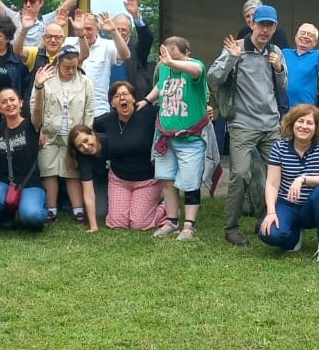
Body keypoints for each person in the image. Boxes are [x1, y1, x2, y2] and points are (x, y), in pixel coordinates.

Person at [209, 3, 289, 246]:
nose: (264, 30)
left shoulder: (275, 51)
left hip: (271, 124)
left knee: (280, 173)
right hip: (243, 124)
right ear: (252, 24)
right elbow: (213, 78)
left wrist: (278, 68)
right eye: (261, 24)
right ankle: (231, 228)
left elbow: (283, 85)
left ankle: (270, 218)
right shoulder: (237, 47)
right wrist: (232, 58)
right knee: (241, 174)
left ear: (275, 27)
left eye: (269, 25)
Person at [258, 104, 319, 263]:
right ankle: (294, 237)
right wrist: (271, 212)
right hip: (287, 204)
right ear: (292, 124)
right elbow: (272, 184)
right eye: (300, 121)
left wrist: (302, 179)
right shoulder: (279, 147)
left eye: (310, 123)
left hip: (313, 206)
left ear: (316, 127)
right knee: (268, 234)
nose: (304, 126)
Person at [148, 36, 211, 240]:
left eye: (173, 54)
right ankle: (171, 221)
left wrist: (173, 63)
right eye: (165, 53)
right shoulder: (164, 69)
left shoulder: (195, 66)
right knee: (166, 180)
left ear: (186, 54)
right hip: (165, 137)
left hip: (190, 139)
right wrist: (146, 100)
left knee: (190, 183)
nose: (167, 59)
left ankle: (189, 225)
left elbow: (198, 71)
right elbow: (160, 86)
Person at [89, 82, 167, 231]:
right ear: (112, 102)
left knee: (139, 224)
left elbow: (173, 111)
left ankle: (166, 207)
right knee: (117, 223)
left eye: (125, 94)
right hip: (119, 179)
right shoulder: (106, 120)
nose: (121, 98)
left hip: (147, 180)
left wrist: (205, 109)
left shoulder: (150, 113)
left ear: (134, 98)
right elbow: (87, 127)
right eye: (117, 96)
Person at [32, 48, 96, 224]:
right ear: (58, 63)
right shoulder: (46, 79)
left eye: (74, 67)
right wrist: (40, 129)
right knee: (49, 169)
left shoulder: (85, 82)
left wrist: (85, 136)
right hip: (49, 132)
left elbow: (90, 110)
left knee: (72, 170)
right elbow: (35, 107)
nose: (70, 71)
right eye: (66, 67)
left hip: (74, 134)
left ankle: (78, 210)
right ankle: (51, 209)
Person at [0, 87, 48, 229]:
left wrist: (39, 88)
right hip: (6, 180)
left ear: (21, 103)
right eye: (4, 102)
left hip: (30, 181)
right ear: (0, 109)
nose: (9, 104)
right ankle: (6, 214)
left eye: (12, 100)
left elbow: (37, 110)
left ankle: (39, 211)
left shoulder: (31, 124)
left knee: (32, 216)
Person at [64, 11, 130, 117]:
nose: (85, 32)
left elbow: (125, 55)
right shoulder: (68, 43)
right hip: (70, 111)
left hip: (98, 111)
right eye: (82, 28)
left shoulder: (107, 45)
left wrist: (114, 31)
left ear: (97, 29)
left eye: (89, 29)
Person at [109, 0, 156, 101]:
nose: (120, 32)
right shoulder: (106, 47)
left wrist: (136, 16)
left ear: (130, 32)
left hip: (133, 101)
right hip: (108, 101)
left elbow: (147, 39)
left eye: (123, 29)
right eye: (117, 29)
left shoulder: (137, 48)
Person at [283, 23, 319, 108]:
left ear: (315, 42)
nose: (305, 36)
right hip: (282, 107)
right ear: (296, 37)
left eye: (310, 35)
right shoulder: (284, 53)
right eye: (302, 33)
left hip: (305, 108)